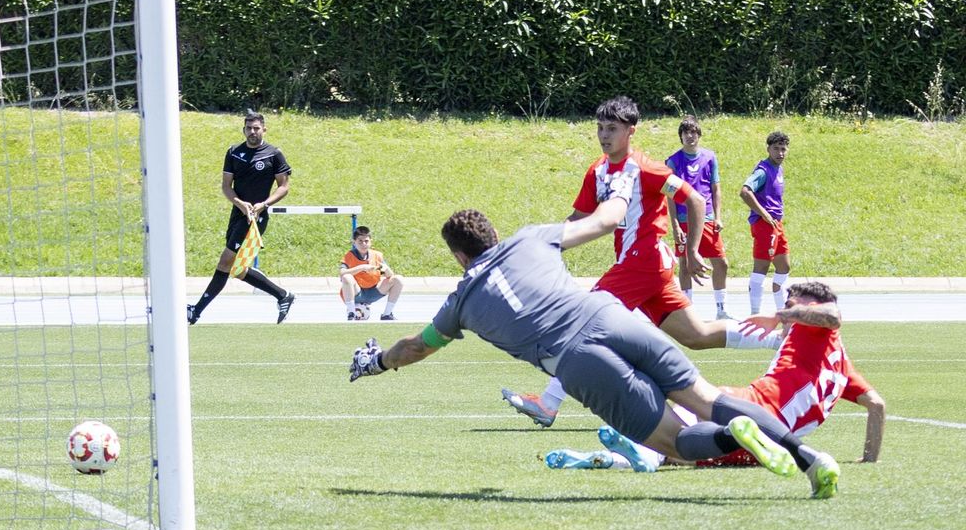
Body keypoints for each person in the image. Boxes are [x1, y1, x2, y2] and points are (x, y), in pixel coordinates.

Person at [349, 205, 841, 499]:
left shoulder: (459, 304)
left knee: (674, 445)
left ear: (459, 256)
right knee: (706, 397)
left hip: (577, 360)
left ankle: (733, 436)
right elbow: (605, 220)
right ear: (494, 235)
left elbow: (414, 347)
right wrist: (625, 180)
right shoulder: (529, 238)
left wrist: (377, 361)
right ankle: (810, 458)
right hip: (613, 316)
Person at [502, 97, 782, 428]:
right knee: (698, 335)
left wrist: (691, 252)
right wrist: (544, 248)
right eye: (600, 128)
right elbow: (579, 218)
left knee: (583, 322)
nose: (604, 135)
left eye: (612, 129)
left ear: (631, 131)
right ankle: (785, 340)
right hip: (644, 268)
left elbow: (693, 199)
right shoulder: (598, 170)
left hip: (643, 260)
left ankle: (548, 403)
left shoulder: (645, 168)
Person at [546, 281, 885, 472]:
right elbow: (877, 405)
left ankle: (637, 454)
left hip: (749, 407)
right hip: (772, 445)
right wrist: (868, 458)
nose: (789, 306)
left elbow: (832, 315)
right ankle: (618, 459)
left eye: (797, 302)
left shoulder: (811, 327)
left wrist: (784, 315)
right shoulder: (843, 368)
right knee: (682, 451)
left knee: (681, 418)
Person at [187, 112, 297, 324]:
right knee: (236, 269)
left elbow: (284, 187)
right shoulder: (234, 152)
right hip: (238, 213)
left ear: (264, 129)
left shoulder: (274, 154)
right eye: (249, 128)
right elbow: (226, 187)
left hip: (256, 217)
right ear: (243, 129)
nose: (252, 132)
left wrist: (263, 204)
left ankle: (196, 311)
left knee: (226, 260)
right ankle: (283, 296)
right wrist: (240, 203)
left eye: (256, 128)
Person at [664, 115, 731, 320]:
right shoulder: (673, 161)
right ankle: (688, 311)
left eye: (693, 132)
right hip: (684, 219)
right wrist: (674, 224)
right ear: (681, 136)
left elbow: (715, 188)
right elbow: (669, 195)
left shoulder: (710, 157)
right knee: (685, 265)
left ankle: (721, 310)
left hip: (707, 218)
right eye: (685, 132)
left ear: (699, 134)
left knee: (721, 263)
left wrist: (718, 217)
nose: (690, 136)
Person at [741, 130, 791, 314]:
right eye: (776, 148)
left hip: (776, 223)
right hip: (764, 224)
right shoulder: (763, 170)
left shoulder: (779, 168)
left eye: (783, 149)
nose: (780, 153)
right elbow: (745, 191)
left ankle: (782, 311)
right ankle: (755, 313)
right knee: (761, 266)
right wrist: (763, 213)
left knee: (784, 266)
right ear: (768, 149)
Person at [340, 225, 404, 321]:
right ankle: (351, 313)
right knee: (347, 277)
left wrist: (385, 269)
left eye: (366, 241)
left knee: (398, 279)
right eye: (360, 241)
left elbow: (389, 276)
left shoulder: (377, 255)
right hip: (357, 292)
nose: (363, 244)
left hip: (373, 291)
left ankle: (387, 314)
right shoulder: (349, 256)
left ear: (371, 241)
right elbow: (342, 274)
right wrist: (361, 268)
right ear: (354, 242)